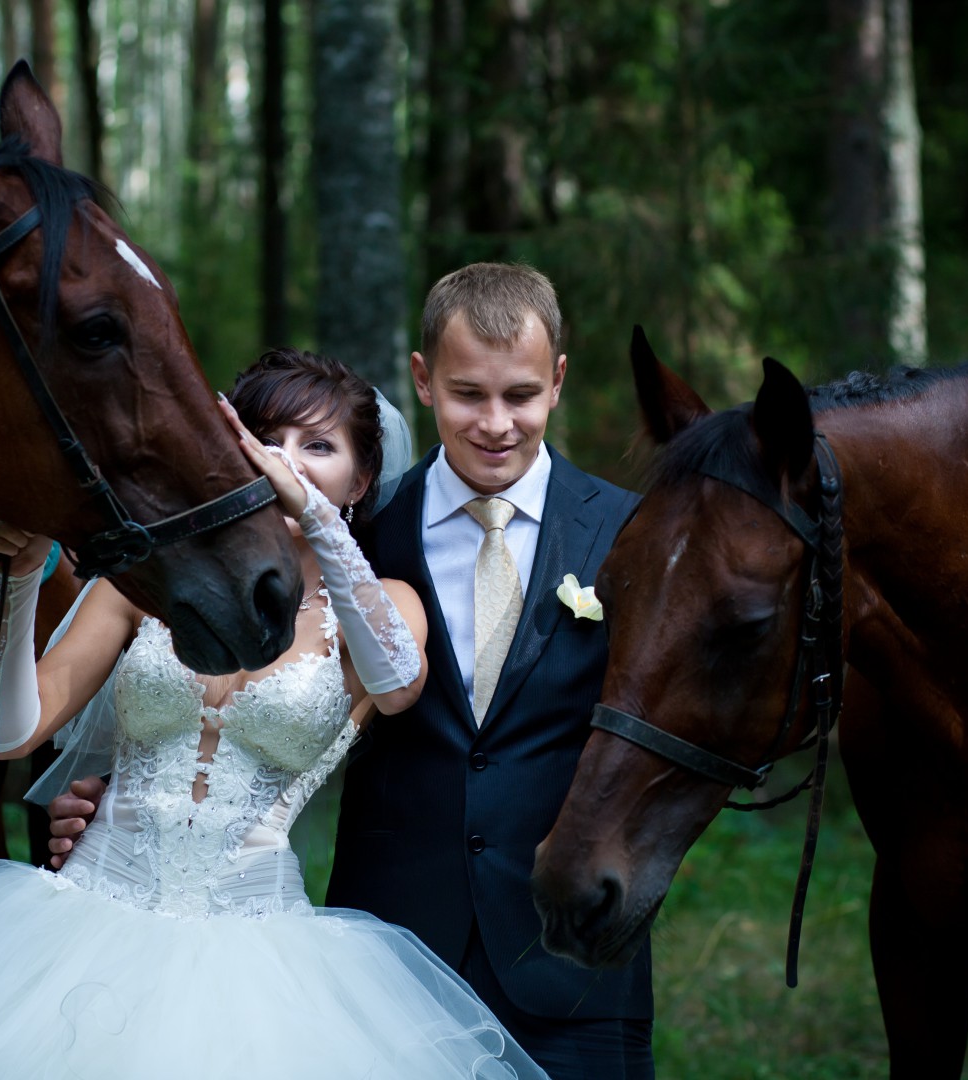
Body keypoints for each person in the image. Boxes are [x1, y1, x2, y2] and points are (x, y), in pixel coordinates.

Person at [0, 348, 549, 1079]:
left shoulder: (386, 610)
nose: (282, 461)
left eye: (318, 446)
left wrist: (314, 519)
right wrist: (23, 580)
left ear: (362, 478)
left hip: (258, 951)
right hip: (79, 921)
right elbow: (11, 732)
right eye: (262, 442)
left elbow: (396, 681)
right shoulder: (145, 586)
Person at [52, 266, 655, 1078]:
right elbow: (212, 689)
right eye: (467, 394)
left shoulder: (629, 533)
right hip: (391, 952)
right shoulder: (358, 535)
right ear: (422, 380)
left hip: (573, 956)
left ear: (558, 381)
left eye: (520, 396)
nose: (496, 423)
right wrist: (110, 796)